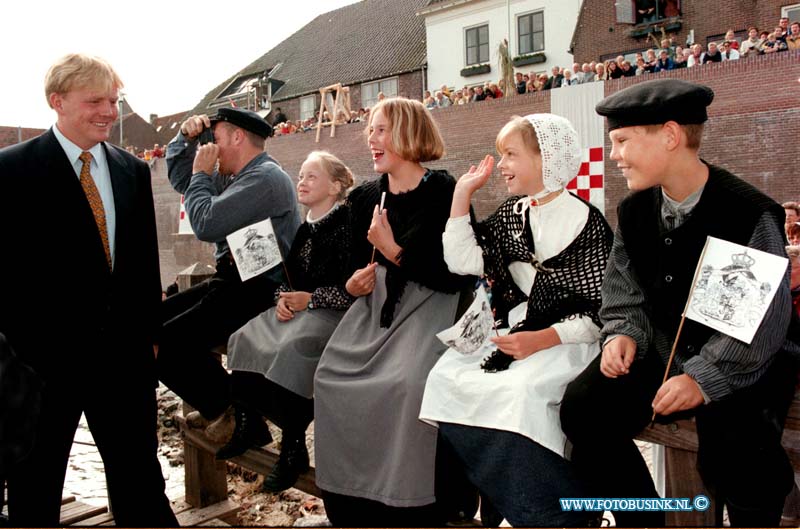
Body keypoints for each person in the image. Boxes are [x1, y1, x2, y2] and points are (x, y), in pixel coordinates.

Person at [560, 78, 799, 527]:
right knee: (584, 408)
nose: (613, 156)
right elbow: (622, 290)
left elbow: (761, 321)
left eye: (621, 141)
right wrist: (622, 334)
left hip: (744, 357)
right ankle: (648, 519)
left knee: (738, 451)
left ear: (669, 136)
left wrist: (704, 379)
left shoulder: (748, 213)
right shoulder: (633, 212)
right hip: (665, 344)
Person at [0, 53, 177, 526]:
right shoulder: (10, 170)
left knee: (141, 484)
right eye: (94, 100)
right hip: (42, 366)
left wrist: (150, 335)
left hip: (123, 359)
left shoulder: (131, 171)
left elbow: (143, 264)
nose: (108, 112)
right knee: (34, 492)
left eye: (113, 101)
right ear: (57, 102)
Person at [419, 114, 613, 526]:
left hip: (567, 338)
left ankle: (554, 510)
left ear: (546, 160)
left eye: (511, 154)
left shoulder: (587, 222)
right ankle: (494, 493)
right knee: (445, 377)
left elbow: (600, 312)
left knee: (520, 391)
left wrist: (542, 340)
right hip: (517, 330)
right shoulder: (512, 214)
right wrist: (461, 196)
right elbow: (461, 261)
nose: (501, 163)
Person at [313, 98, 474, 527]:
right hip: (373, 309)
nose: (371, 138)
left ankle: (410, 498)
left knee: (407, 384)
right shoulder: (365, 195)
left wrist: (393, 251)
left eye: (380, 130)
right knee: (330, 377)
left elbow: (457, 275)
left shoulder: (444, 191)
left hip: (429, 309)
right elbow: (348, 267)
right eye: (371, 130)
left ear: (407, 133)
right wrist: (351, 283)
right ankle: (351, 497)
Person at [157, 108, 301, 442]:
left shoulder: (265, 178)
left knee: (168, 343)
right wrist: (184, 138)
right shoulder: (236, 175)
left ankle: (236, 415)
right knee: (152, 325)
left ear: (237, 137)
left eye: (215, 138)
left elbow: (206, 224)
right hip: (235, 279)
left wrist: (200, 174)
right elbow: (183, 180)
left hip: (262, 287)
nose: (211, 146)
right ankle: (227, 409)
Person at [217, 151, 356, 491]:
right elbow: (288, 278)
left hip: (334, 315)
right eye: (301, 175)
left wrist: (311, 299)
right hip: (298, 310)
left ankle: (292, 447)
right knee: (246, 335)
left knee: (292, 348)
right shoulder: (303, 229)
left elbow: (353, 290)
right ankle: (248, 421)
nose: (302, 182)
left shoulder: (347, 226)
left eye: (312, 176)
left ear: (335, 187)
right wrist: (281, 299)